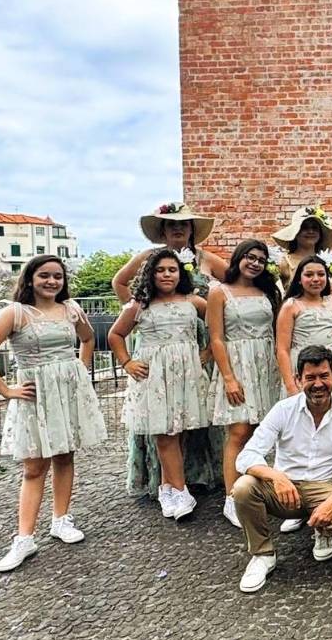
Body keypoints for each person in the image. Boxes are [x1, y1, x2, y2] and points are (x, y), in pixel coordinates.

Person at [0, 256, 107, 572]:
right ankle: (24, 538)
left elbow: (88, 339)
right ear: (30, 278)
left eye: (57, 276)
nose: (52, 282)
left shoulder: (71, 308)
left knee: (64, 456)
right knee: (33, 466)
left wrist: (81, 371)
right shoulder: (15, 313)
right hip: (35, 394)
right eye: (44, 275)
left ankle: (61, 519)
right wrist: (6, 391)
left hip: (66, 392)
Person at [114, 203, 225, 503]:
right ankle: (168, 486)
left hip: (196, 345)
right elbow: (119, 282)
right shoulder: (147, 259)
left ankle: (195, 479)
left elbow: (232, 285)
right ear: (162, 230)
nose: (178, 229)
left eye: (184, 225)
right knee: (164, 422)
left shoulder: (206, 259)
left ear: (191, 230)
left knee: (190, 419)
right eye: (170, 225)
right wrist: (143, 313)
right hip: (156, 346)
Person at [232, 346, 332, 593]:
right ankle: (263, 554)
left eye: (324, 376)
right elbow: (246, 457)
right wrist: (275, 476)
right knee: (242, 488)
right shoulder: (283, 410)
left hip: (325, 487)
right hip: (285, 488)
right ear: (298, 379)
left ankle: (323, 529)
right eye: (310, 378)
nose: (318, 384)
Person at [108, 249, 213, 520]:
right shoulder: (139, 305)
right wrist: (127, 362)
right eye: (160, 270)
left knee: (178, 433)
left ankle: (166, 488)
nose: (166, 275)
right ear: (150, 274)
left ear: (181, 274)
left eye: (172, 270)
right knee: (164, 434)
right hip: (154, 374)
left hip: (186, 373)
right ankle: (180, 491)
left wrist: (208, 352)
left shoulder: (194, 301)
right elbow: (116, 334)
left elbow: (218, 323)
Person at [207, 240, 283, 528]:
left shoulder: (267, 291)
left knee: (264, 430)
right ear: (239, 258)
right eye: (250, 257)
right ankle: (231, 496)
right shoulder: (219, 292)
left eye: (261, 260)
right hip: (237, 363)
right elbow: (216, 337)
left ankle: (257, 491)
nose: (255, 263)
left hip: (265, 363)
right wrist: (228, 377)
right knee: (239, 431)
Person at [277, 255, 332, 395]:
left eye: (321, 274)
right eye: (309, 275)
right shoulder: (291, 306)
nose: (316, 279)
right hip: (302, 366)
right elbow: (282, 349)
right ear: (299, 278)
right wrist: (290, 384)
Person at [271, 204, 332, 287]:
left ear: (320, 234)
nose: (311, 231)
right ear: (295, 233)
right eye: (305, 228)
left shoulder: (328, 262)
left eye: (315, 228)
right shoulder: (285, 262)